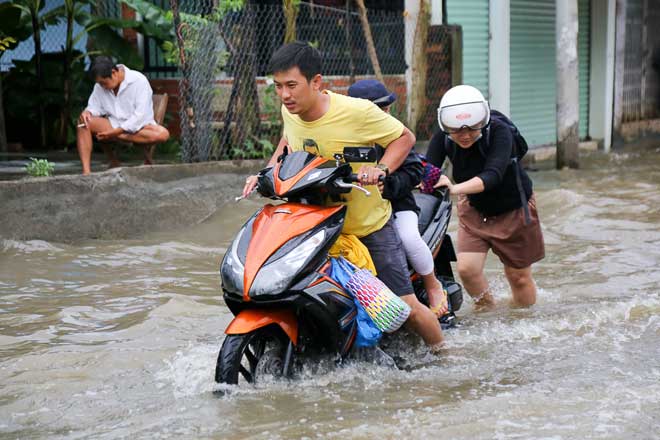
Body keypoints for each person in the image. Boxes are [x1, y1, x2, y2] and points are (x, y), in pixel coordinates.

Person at [242, 41, 444, 349]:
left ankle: (443, 355)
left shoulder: (358, 112)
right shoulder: (290, 111)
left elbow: (405, 138)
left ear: (317, 82)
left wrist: (382, 170)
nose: (284, 95)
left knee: (406, 309)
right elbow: (287, 141)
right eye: (278, 86)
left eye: (292, 85)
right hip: (315, 227)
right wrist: (265, 174)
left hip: (367, 228)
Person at [426, 85, 545, 309]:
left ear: (483, 120)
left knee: (518, 278)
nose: (465, 135)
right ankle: (489, 311)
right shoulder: (444, 135)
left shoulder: (500, 131)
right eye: (457, 130)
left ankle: (522, 321)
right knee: (467, 270)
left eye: (472, 128)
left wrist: (454, 188)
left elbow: (493, 175)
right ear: (447, 125)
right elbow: (428, 168)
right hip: (475, 209)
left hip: (514, 208)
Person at [347, 79, 448, 316]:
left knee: (409, 238)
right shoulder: (342, 136)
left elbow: (415, 171)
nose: (384, 114)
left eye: (385, 109)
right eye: (378, 110)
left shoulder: (395, 134)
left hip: (398, 205)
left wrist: (388, 184)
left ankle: (432, 285)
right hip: (356, 209)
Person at [76, 56, 170, 175]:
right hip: (112, 125)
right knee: (83, 121)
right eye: (99, 84)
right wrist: (87, 112)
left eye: (104, 83)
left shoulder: (139, 81)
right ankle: (86, 172)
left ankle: (122, 137)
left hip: (140, 129)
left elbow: (139, 116)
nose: (102, 86)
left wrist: (117, 133)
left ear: (114, 72)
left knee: (163, 134)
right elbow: (94, 107)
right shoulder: (100, 86)